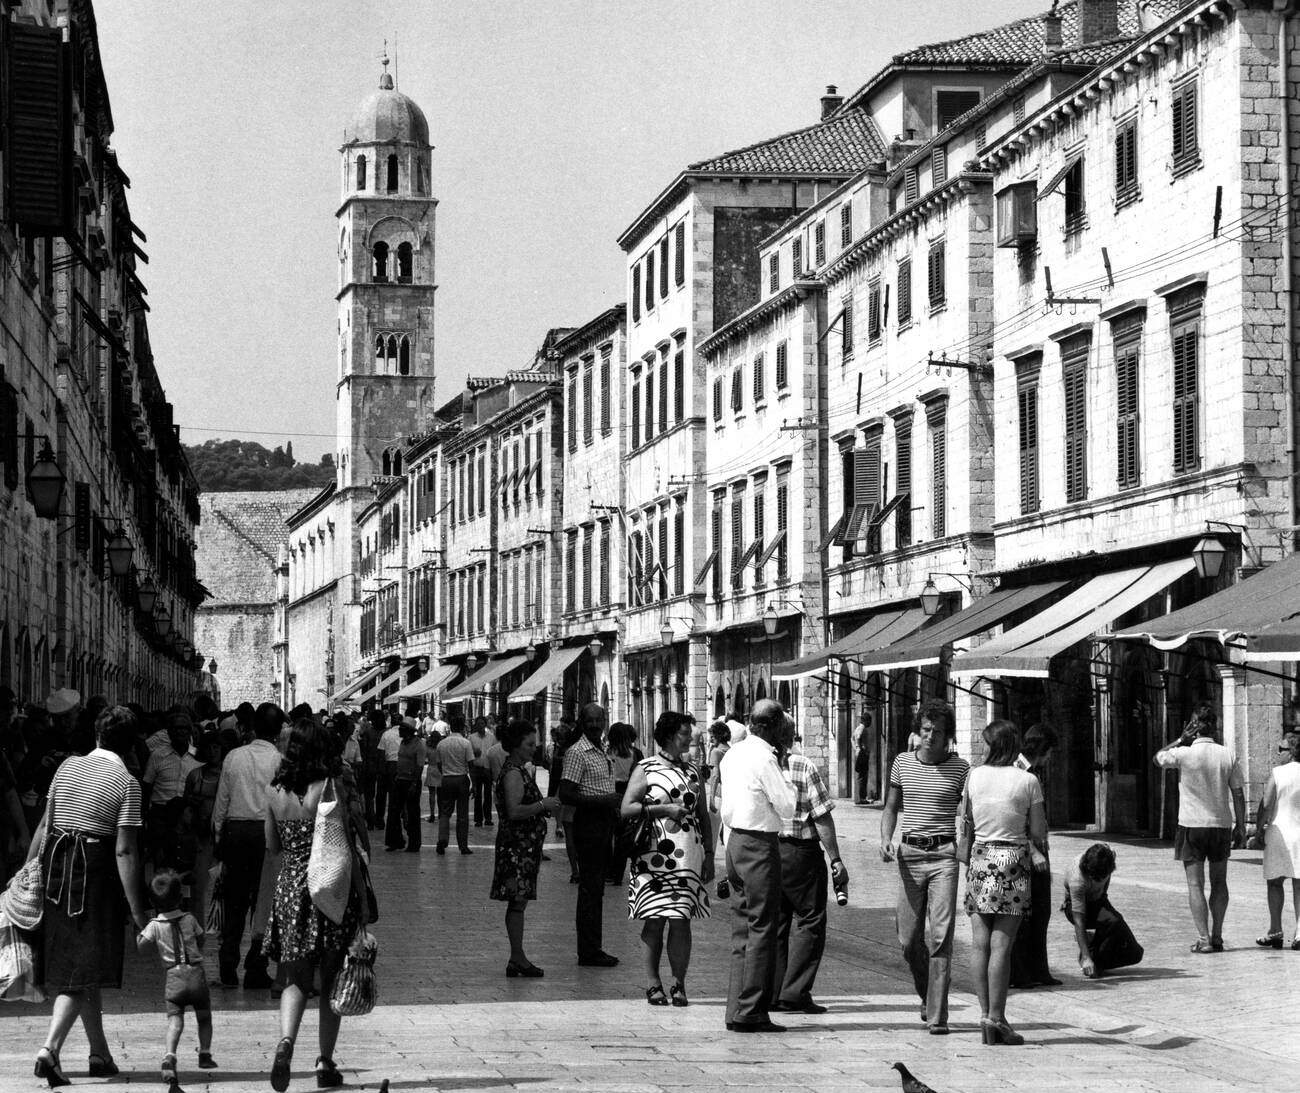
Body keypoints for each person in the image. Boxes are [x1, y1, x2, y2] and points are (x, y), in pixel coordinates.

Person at [29, 705, 151, 1086]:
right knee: (82, 967)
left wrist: (26, 871)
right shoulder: (126, 781)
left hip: (55, 867)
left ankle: (100, 1053)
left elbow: (46, 824)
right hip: (92, 873)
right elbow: (125, 851)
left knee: (83, 962)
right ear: (131, 744)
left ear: (96, 735)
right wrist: (138, 911)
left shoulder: (66, 766)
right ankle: (49, 1050)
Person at [264, 719, 364, 1092]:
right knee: (332, 976)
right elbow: (344, 847)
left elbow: (273, 846)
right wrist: (363, 901)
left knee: (295, 978)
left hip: (290, 889)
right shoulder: (327, 787)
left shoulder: (274, 791)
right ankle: (325, 1061)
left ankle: (286, 1042)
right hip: (327, 890)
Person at [880, 701, 968, 1034]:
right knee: (908, 939)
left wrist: (966, 847)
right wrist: (885, 838)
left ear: (948, 736)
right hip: (909, 854)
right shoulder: (902, 763)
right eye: (926, 730)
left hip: (944, 856)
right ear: (919, 730)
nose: (930, 737)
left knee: (942, 936)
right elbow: (890, 808)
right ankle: (926, 993)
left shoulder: (961, 769)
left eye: (938, 732)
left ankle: (937, 1016)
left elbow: (967, 814)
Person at [961, 719, 1049, 1047]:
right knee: (1002, 945)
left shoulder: (974, 776)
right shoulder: (1028, 781)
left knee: (979, 943)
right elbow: (1038, 831)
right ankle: (997, 1018)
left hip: (981, 858)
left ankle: (986, 1015)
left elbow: (966, 817)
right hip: (1011, 859)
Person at [622, 711, 713, 1006]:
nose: (691, 738)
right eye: (686, 733)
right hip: (653, 856)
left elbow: (703, 816)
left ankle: (679, 984)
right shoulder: (645, 768)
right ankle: (652, 984)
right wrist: (665, 810)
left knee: (681, 920)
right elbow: (627, 808)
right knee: (654, 920)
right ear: (671, 735)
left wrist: (710, 855)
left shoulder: (692, 771)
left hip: (687, 853)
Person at [718, 698, 796, 1033]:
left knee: (742, 929)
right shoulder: (765, 757)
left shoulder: (733, 752)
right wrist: (788, 777)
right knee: (763, 926)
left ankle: (736, 1007)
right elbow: (789, 805)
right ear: (770, 725)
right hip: (758, 845)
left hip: (734, 842)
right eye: (781, 725)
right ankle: (752, 1010)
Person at [1154, 703, 1246, 952]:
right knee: (1219, 882)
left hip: (1191, 825)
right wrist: (1240, 825)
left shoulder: (1183, 754)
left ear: (1193, 728)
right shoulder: (1227, 755)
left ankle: (1203, 939)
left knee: (1195, 884)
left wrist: (1179, 740)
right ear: (1214, 727)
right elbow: (1238, 793)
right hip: (1220, 825)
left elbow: (1158, 757)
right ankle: (1217, 936)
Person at [771, 714, 843, 1015]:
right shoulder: (802, 765)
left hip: (767, 849)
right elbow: (821, 816)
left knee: (775, 923)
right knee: (810, 919)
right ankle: (795, 991)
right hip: (801, 852)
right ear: (790, 737)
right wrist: (836, 858)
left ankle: (773, 991)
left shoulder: (753, 764)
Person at [212, 702, 286, 989]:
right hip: (268, 835)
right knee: (264, 902)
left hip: (237, 831)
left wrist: (219, 836)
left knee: (234, 900)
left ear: (253, 726)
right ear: (279, 732)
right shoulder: (280, 761)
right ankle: (256, 965)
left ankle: (227, 965)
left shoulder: (234, 757)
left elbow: (222, 801)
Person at [491, 719, 561, 977]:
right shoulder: (513, 773)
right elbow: (514, 810)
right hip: (517, 849)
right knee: (517, 902)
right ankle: (517, 957)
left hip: (522, 848)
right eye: (530, 744)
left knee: (518, 902)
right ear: (517, 745)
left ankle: (516, 957)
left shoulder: (518, 769)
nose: (535, 748)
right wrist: (543, 805)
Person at [136, 870, 217, 1086]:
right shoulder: (189, 918)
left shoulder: (155, 924)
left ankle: (169, 1056)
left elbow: (141, 946)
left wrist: (140, 931)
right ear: (180, 898)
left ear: (153, 903)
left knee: (175, 1020)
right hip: (196, 974)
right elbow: (201, 938)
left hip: (173, 977)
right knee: (204, 1016)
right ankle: (205, 1053)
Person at [558, 702, 621, 966]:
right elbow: (566, 793)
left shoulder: (601, 750)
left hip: (604, 822)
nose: (595, 725)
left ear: (605, 721)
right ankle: (588, 951)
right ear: (582, 723)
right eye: (590, 721)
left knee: (596, 890)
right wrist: (605, 800)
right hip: (590, 823)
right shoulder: (577, 752)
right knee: (590, 889)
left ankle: (594, 947)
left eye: (599, 720)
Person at [1009, 722, 1060, 989]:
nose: (1051, 757)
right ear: (1043, 748)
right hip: (1026, 850)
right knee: (1025, 914)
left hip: (1039, 847)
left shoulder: (1033, 772)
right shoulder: (1017, 772)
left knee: (1041, 912)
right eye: (1050, 750)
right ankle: (1020, 973)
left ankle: (1039, 970)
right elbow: (1014, 818)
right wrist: (1034, 850)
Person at [1063, 843, 1143, 976]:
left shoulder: (1109, 855)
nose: (1098, 881)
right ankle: (1090, 959)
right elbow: (1079, 921)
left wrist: (1104, 898)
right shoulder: (1077, 878)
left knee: (1135, 953)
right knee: (1112, 921)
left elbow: (1105, 884)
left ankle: (1094, 947)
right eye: (1094, 878)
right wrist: (1086, 956)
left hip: (1098, 901)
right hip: (1075, 908)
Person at [1256, 731, 1300, 947]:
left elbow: (1266, 804)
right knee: (1299, 884)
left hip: (1278, 832)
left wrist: (1257, 830)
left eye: (1281, 749)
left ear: (1291, 752)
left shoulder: (1278, 773)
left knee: (1275, 883)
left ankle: (1276, 931)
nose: (1278, 752)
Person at [142, 712, 200, 870]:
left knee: (186, 863)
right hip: (161, 815)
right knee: (161, 864)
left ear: (189, 731)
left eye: (184, 728)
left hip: (186, 815)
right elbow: (147, 786)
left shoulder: (197, 757)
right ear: (169, 732)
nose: (180, 732)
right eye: (176, 728)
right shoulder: (157, 756)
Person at [606, 721, 643, 886]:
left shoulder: (607, 753)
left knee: (609, 835)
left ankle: (610, 870)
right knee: (624, 836)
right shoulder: (635, 753)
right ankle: (618, 874)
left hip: (611, 794)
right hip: (630, 793)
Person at [435, 718, 475, 854]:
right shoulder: (466, 743)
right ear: (462, 727)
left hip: (447, 779)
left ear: (450, 727)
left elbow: (439, 764)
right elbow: (471, 764)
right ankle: (463, 845)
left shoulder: (441, 744)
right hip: (462, 779)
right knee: (462, 814)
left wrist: (445, 773)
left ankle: (442, 839)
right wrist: (473, 784)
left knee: (445, 812)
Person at [385, 719, 427, 852]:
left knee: (413, 812)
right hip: (400, 779)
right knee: (394, 810)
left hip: (411, 781)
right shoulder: (403, 742)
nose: (399, 731)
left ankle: (414, 843)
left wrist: (414, 783)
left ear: (407, 730)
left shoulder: (419, 744)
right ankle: (395, 841)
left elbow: (420, 766)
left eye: (401, 729)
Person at [375, 711, 402, 828]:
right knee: (395, 795)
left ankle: (380, 819)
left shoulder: (386, 734)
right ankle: (396, 818)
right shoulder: (405, 734)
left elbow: (381, 752)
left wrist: (381, 769)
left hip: (388, 765)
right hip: (401, 765)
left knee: (381, 794)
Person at [357, 711, 384, 828]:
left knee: (371, 795)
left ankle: (372, 819)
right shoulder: (385, 732)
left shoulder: (368, 733)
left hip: (371, 766)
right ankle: (377, 819)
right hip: (379, 767)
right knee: (378, 795)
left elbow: (364, 750)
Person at [469, 716, 496, 827]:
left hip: (488, 769)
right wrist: (473, 752)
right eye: (478, 723)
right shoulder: (471, 738)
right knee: (477, 794)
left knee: (488, 794)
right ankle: (478, 819)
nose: (480, 725)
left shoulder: (491, 737)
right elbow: (468, 754)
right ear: (476, 725)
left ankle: (488, 818)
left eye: (482, 723)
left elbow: (494, 752)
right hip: (477, 768)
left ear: (485, 725)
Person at [854, 713, 874, 804]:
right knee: (863, 776)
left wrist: (856, 748)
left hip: (858, 753)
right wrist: (862, 749)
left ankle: (859, 798)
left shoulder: (857, 728)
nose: (870, 723)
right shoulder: (862, 728)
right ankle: (862, 798)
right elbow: (858, 738)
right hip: (862, 754)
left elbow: (852, 738)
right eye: (869, 721)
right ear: (866, 720)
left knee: (860, 776)